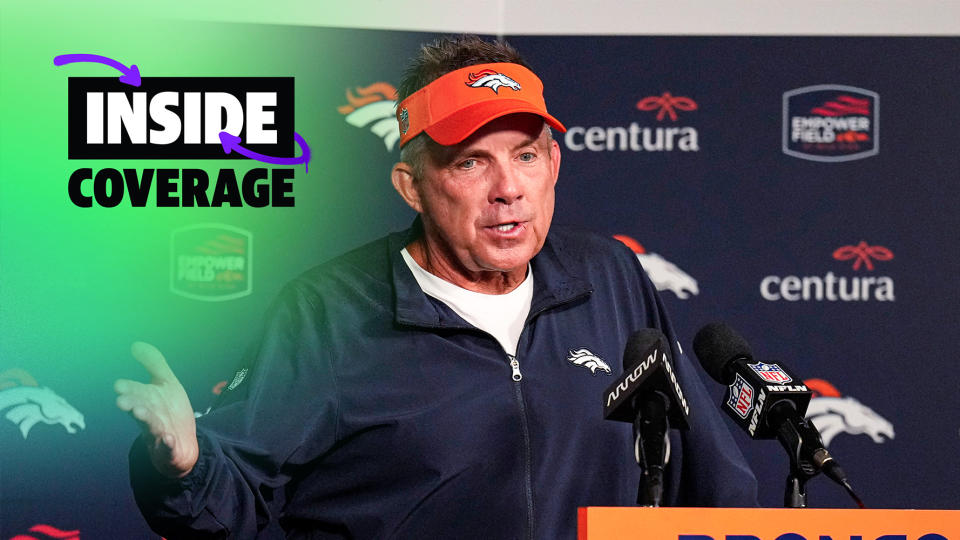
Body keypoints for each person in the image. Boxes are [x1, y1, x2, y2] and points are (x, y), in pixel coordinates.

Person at [115, 35, 757, 539]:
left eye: (526, 155)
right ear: (411, 185)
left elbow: (710, 473)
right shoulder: (330, 314)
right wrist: (183, 468)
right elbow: (236, 501)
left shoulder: (607, 275)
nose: (508, 188)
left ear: (553, 165)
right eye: (471, 161)